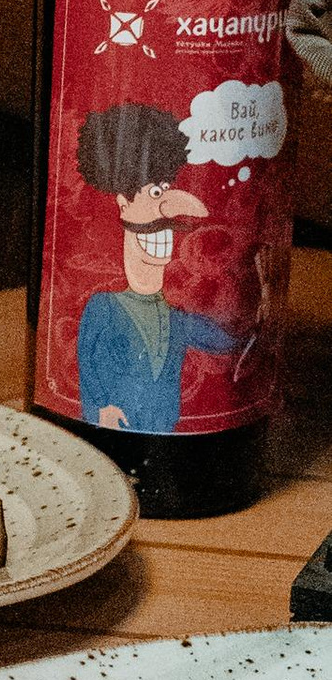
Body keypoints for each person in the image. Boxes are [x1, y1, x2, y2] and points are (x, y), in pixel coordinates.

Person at [68, 98, 240, 434]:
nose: (167, 206)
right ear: (123, 204)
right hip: (103, 438)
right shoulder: (102, 308)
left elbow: (232, 342)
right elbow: (86, 364)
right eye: (154, 192)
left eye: (166, 190)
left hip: (170, 433)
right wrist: (100, 406)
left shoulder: (178, 320)